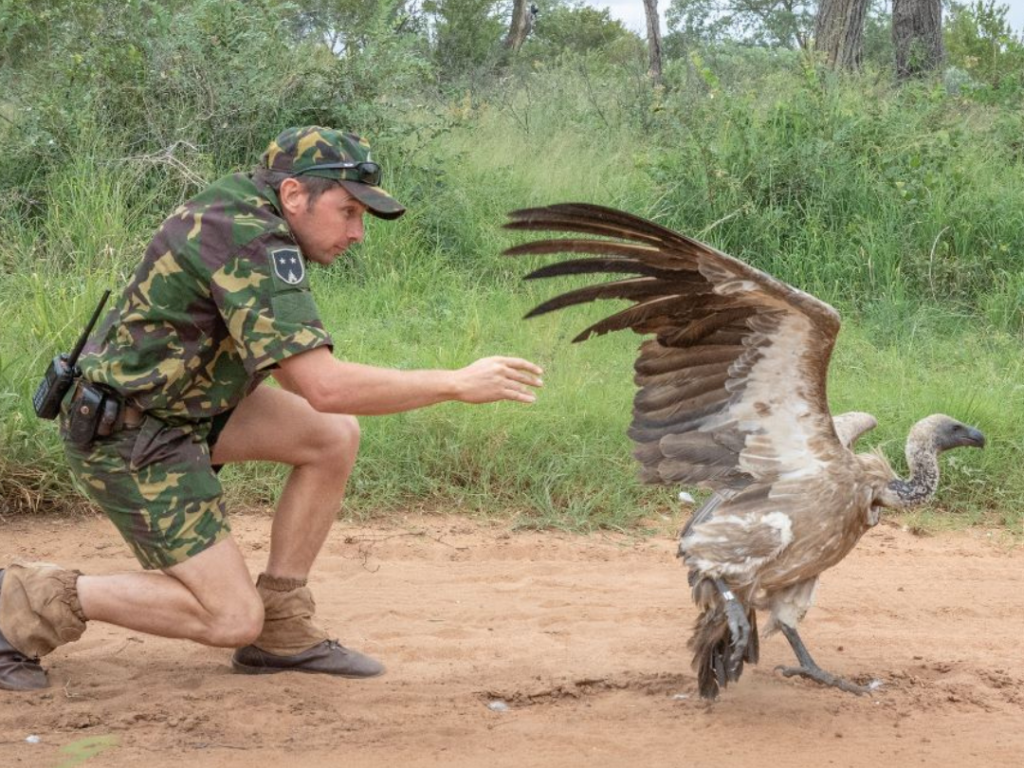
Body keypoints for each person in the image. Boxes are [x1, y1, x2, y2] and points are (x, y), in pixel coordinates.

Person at [0, 126, 543, 692]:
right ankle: (22, 601)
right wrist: (456, 383)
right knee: (230, 618)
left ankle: (283, 628)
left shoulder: (247, 206)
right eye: (348, 212)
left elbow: (310, 390)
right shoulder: (248, 240)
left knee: (330, 435)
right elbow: (323, 385)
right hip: (132, 435)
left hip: (185, 407)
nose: (357, 233)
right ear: (292, 195)